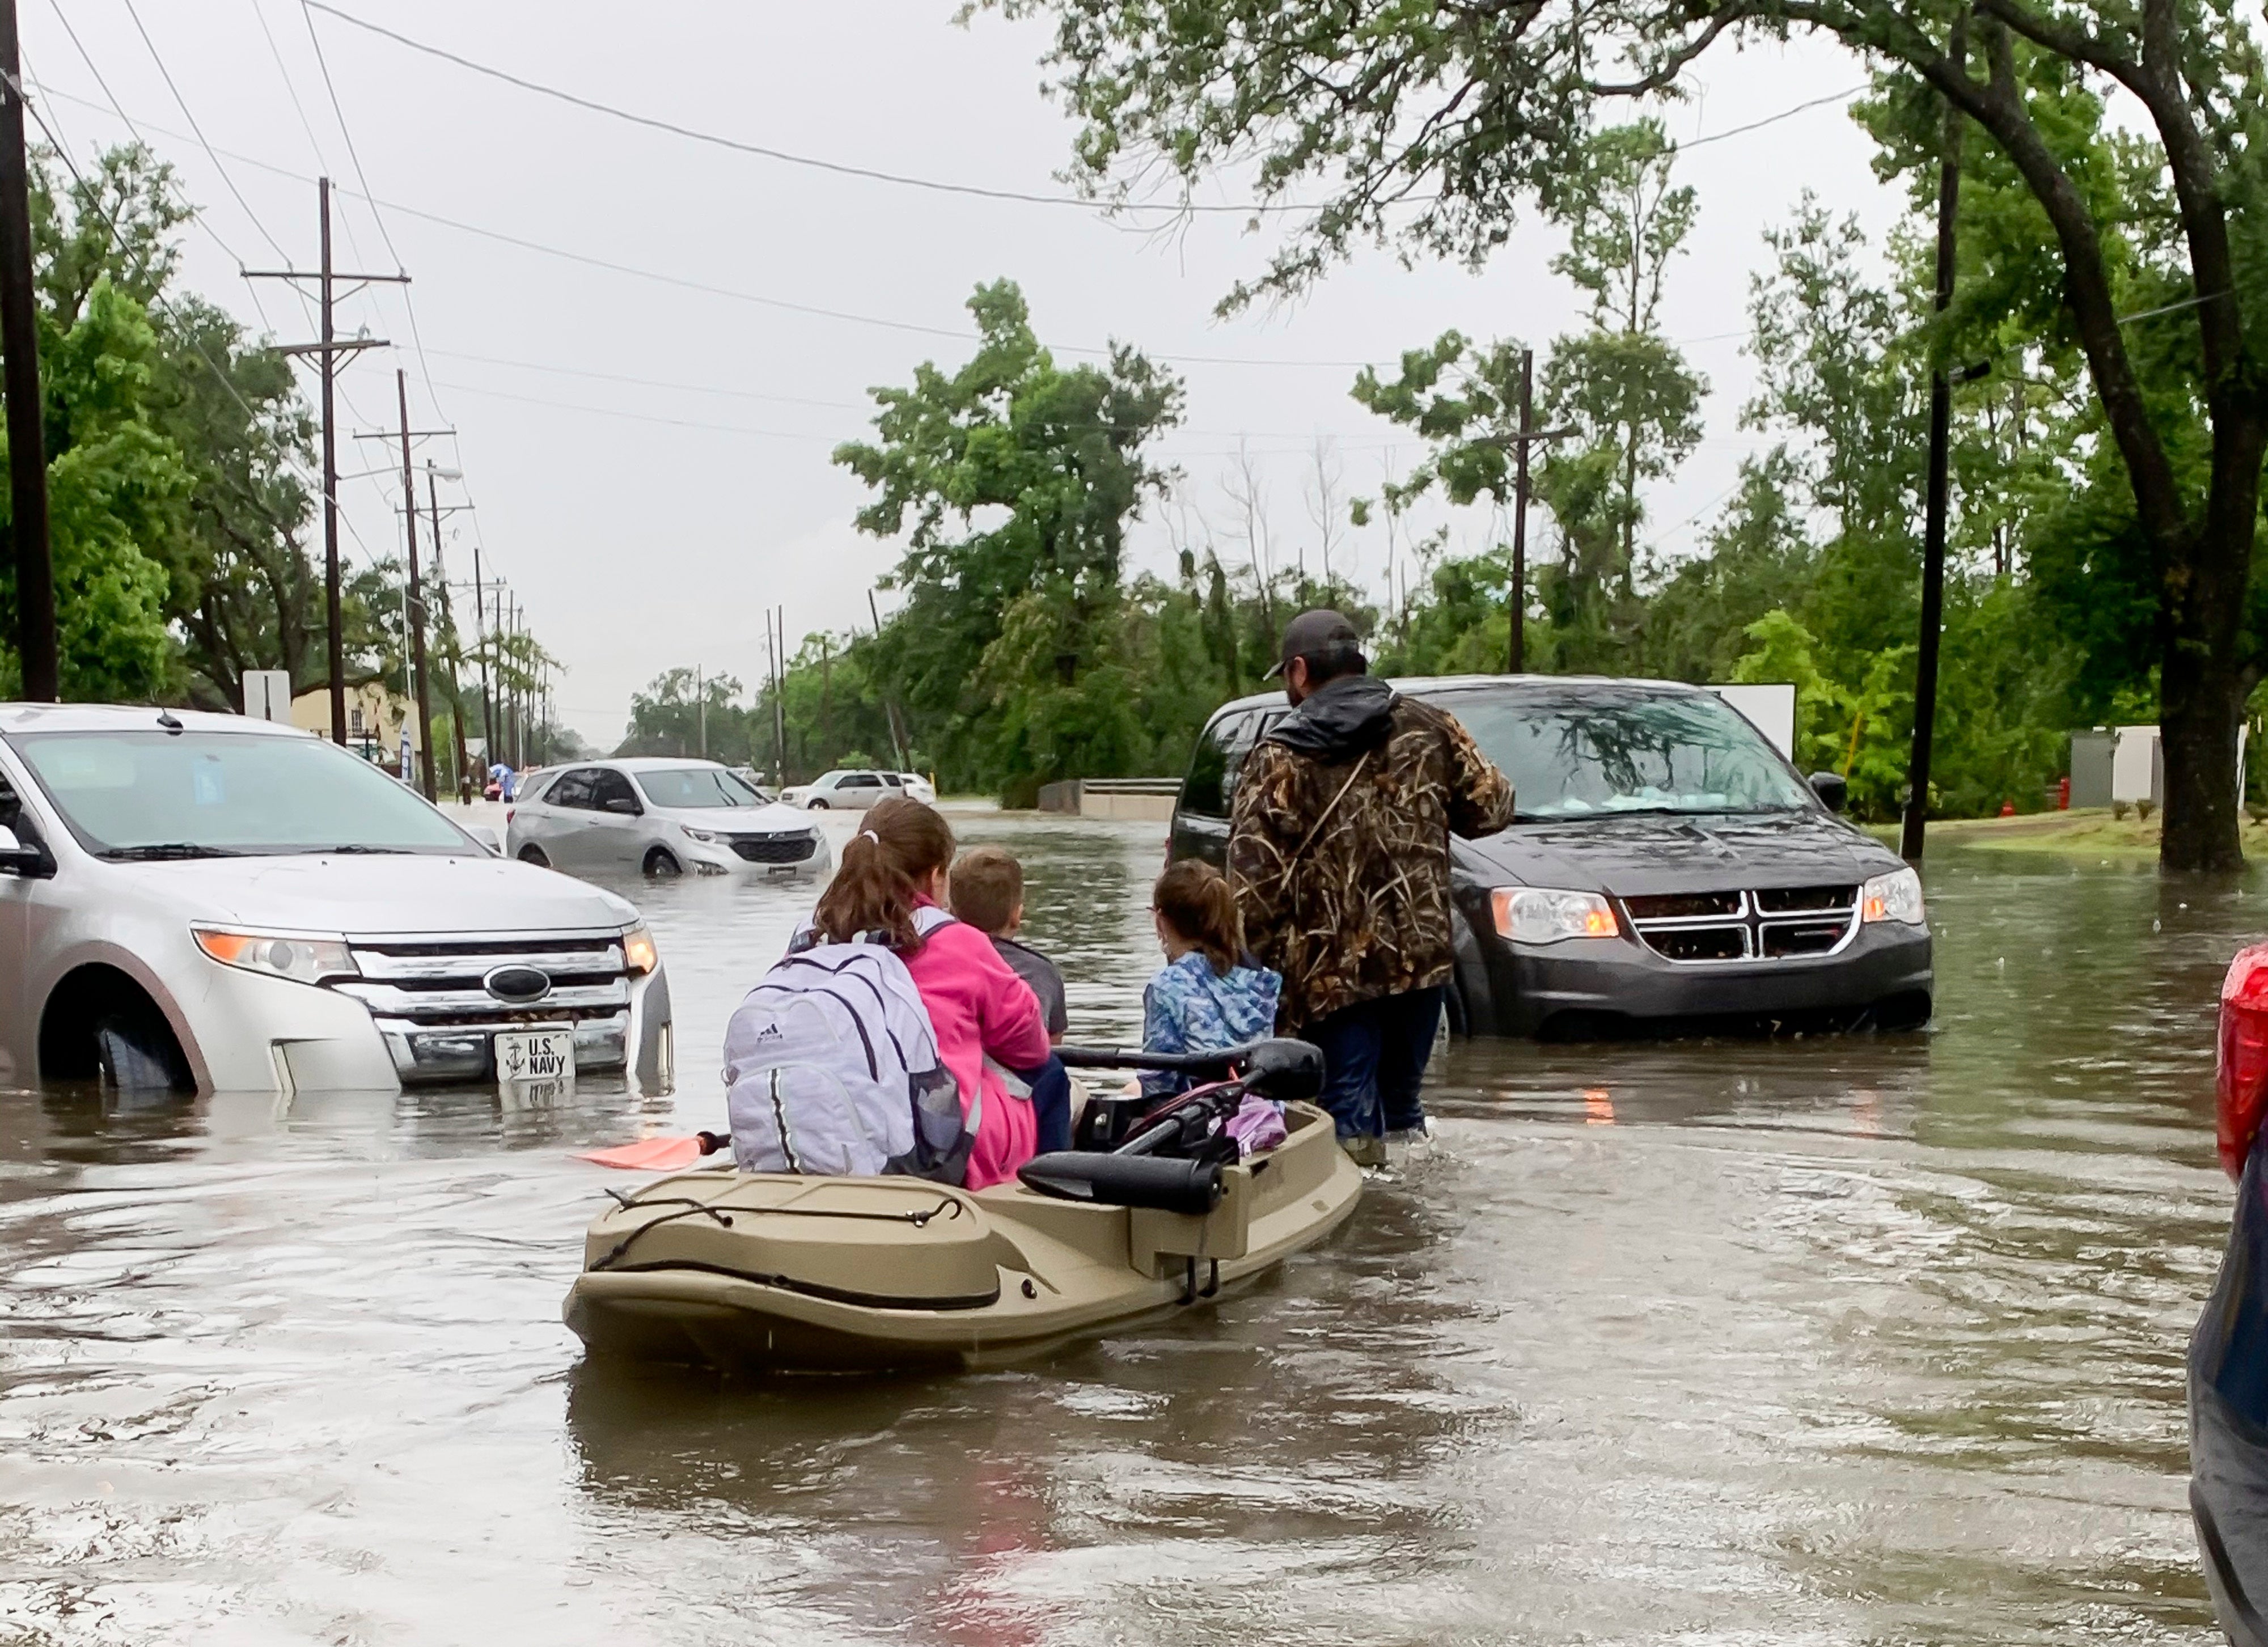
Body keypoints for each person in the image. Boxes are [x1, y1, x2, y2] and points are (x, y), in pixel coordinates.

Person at [1229, 609, 1516, 1166]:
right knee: (1404, 1107)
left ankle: (1365, 1234)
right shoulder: (1431, 726)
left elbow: (1252, 890)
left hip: (1328, 971)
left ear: (1297, 671)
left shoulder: (1277, 756)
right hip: (1422, 956)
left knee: (1342, 1110)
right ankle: (1411, 1223)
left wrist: (1254, 977)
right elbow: (1494, 807)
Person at [809, 797, 1052, 1189]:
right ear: (937, 876)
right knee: (1047, 1076)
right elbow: (1031, 1045)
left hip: (826, 1134)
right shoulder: (959, 943)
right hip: (936, 1154)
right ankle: (1052, 1202)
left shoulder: (813, 937)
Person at [1141, 859, 1281, 1099]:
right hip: (1260, 1113)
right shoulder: (1263, 979)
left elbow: (1159, 1082)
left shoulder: (1167, 986)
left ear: (1161, 919)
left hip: (1203, 1119)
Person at [947, 846, 1068, 1045]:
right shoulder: (1043, 972)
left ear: (952, 912)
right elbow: (1053, 1047)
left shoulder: (932, 961)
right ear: (1017, 915)